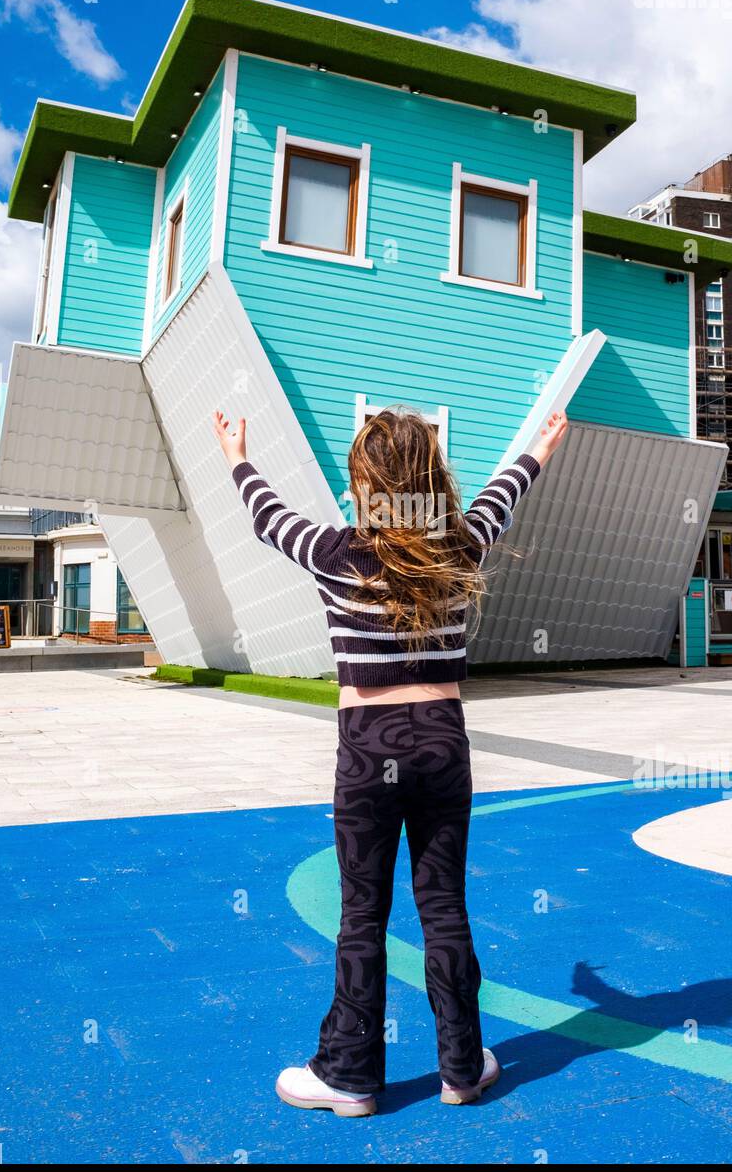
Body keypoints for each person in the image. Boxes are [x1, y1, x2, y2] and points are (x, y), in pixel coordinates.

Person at [214, 404, 569, 1116]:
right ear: (432, 480)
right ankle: (463, 1069)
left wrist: (236, 454)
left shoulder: (331, 552)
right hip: (442, 739)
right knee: (443, 906)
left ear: (362, 483)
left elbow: (265, 514)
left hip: (368, 745)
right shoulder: (459, 547)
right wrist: (540, 444)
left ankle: (349, 1075)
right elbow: (505, 491)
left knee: (361, 915)